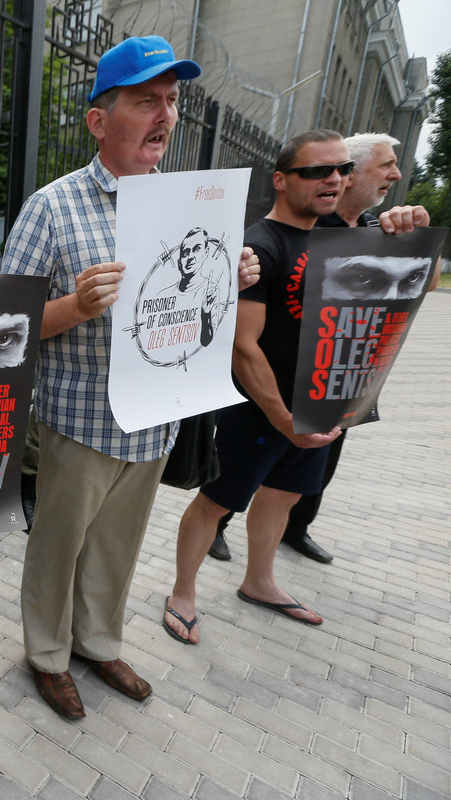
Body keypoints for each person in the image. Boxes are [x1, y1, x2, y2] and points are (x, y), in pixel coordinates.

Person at [1, 35, 259, 719]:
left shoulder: (190, 207)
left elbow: (197, 305)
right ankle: (48, 655)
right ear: (99, 120)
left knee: (117, 547)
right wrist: (75, 306)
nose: (165, 115)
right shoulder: (53, 207)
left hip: (154, 421)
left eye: (171, 101)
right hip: (80, 421)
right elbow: (7, 325)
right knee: (59, 547)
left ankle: (98, 643)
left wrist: (232, 279)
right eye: (147, 101)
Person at [164, 129, 355, 646]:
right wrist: (282, 418)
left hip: (315, 403)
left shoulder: (335, 236)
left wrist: (410, 224)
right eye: (317, 171)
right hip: (258, 409)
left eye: (342, 169)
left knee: (285, 494)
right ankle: (183, 592)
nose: (334, 179)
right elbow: (242, 346)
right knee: (217, 500)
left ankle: (260, 581)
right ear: (281, 180)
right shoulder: (260, 245)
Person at [207, 131, 432, 565]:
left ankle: (293, 534)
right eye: (385, 165)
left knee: (301, 481)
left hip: (334, 383)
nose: (395, 175)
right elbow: (244, 338)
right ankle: (218, 528)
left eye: (340, 169)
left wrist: (417, 238)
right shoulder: (301, 227)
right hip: (269, 390)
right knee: (232, 483)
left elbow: (421, 285)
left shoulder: (376, 229)